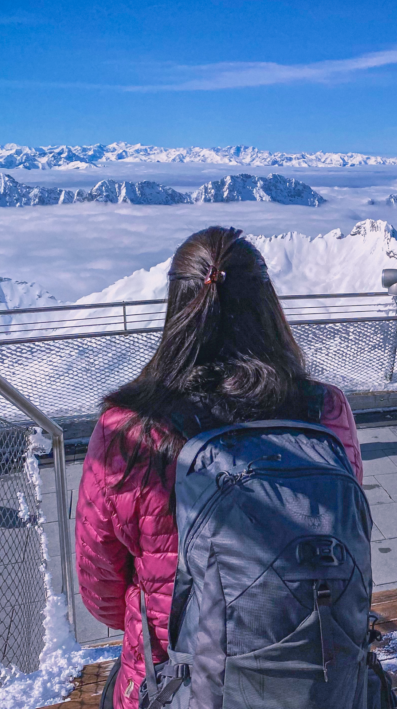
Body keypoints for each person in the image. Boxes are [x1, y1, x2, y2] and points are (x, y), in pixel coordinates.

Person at [75, 227, 363, 709]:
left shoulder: (131, 430)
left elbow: (100, 588)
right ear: (267, 306)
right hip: (317, 682)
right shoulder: (325, 411)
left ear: (177, 308)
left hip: (176, 683)